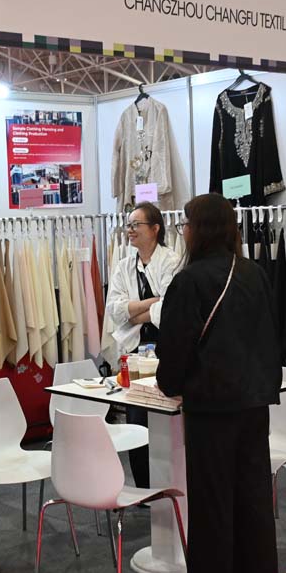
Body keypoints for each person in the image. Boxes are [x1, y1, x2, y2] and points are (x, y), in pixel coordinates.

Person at [156, 194, 283, 573]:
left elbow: (174, 348)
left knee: (212, 502)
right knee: (253, 496)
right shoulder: (254, 273)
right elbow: (270, 336)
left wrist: (169, 384)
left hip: (211, 405)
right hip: (255, 401)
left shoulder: (189, 281)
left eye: (187, 224)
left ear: (200, 229)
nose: (184, 231)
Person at [104, 202, 181, 488]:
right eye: (129, 225)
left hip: (166, 349)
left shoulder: (171, 261)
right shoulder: (124, 265)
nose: (130, 230)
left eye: (136, 224)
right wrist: (152, 303)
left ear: (155, 228)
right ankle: (143, 487)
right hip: (135, 352)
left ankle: (169, 484)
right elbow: (115, 309)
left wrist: (135, 311)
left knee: (166, 416)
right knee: (137, 417)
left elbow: (171, 307)